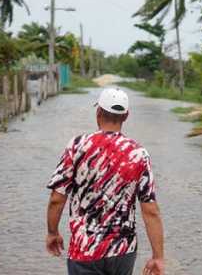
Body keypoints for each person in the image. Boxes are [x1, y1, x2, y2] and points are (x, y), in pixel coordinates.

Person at [45, 88, 165, 275]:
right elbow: (150, 210)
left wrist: (52, 232)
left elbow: (56, 198)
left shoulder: (77, 146)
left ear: (98, 112)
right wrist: (158, 256)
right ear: (126, 116)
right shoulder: (139, 154)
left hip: (85, 248)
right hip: (123, 251)